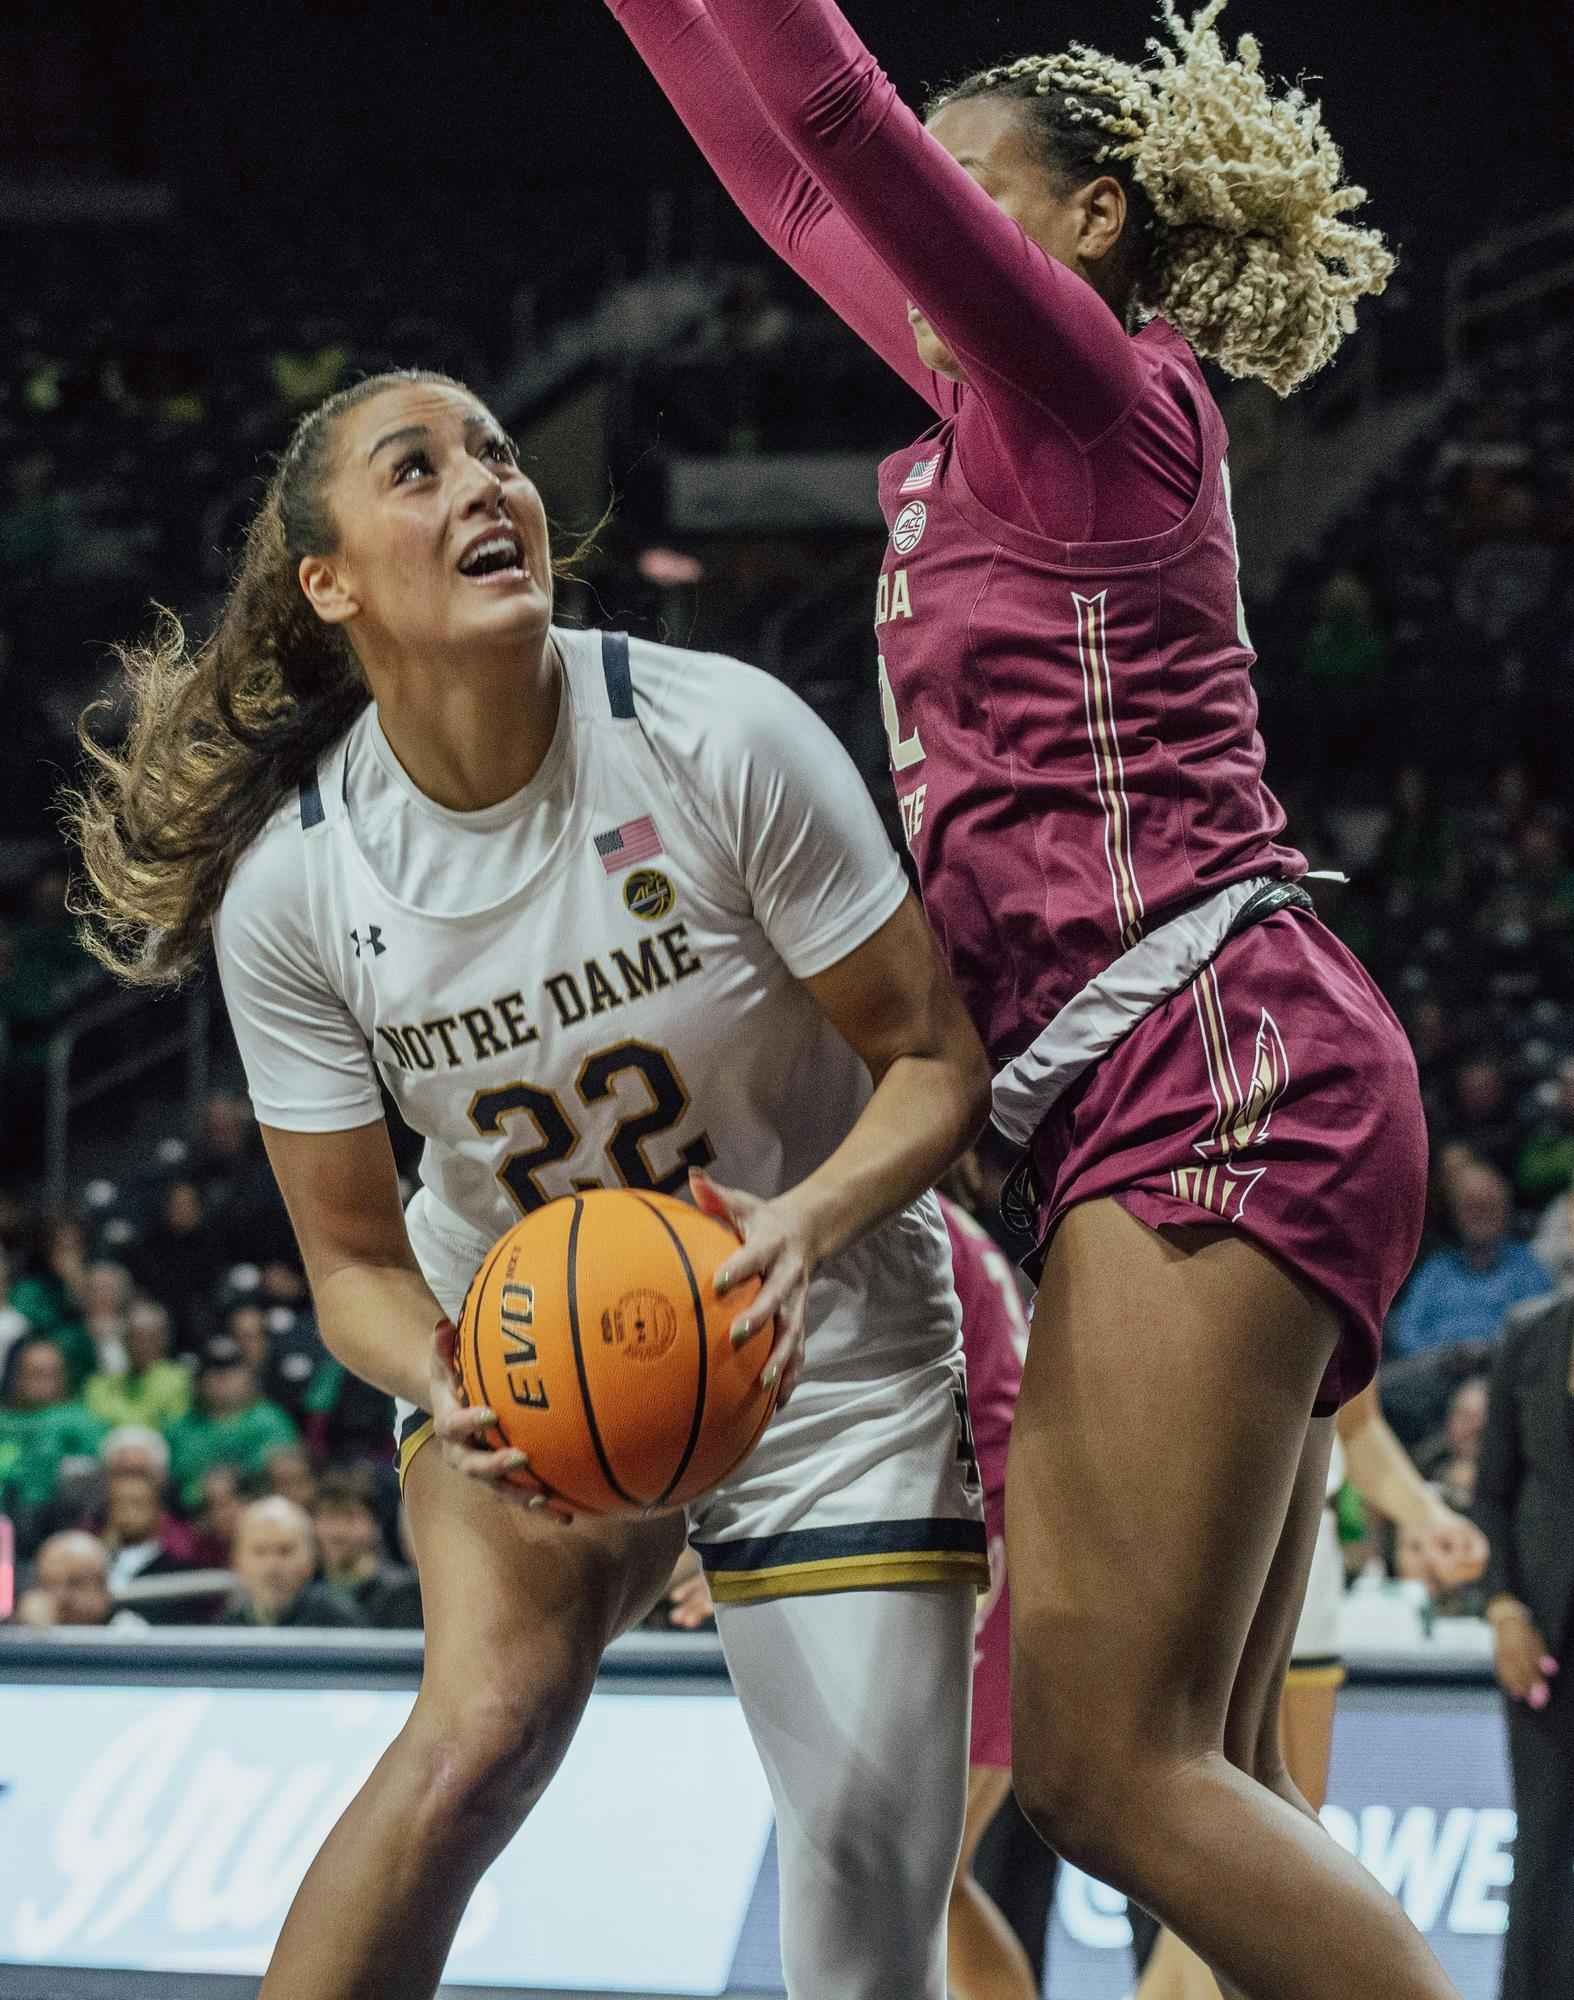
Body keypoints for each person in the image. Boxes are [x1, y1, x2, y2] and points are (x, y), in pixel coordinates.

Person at [606, 3, 1456, 1994]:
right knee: (1207, 1773)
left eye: (962, 205)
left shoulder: (1096, 401)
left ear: (1075, 226)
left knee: (1105, 1770)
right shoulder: (978, 426)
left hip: (1217, 1064)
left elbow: (831, 109)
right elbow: (792, 175)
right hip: (1161, 1085)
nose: (912, 245)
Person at [69, 367, 993, 2000]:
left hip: (822, 1335)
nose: (482, 485)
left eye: (496, 454)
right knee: (478, 1735)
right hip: (527, 1344)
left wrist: (797, 1225)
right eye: (414, 470)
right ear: (329, 583)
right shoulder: (299, 884)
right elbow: (350, 1260)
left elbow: (932, 1066)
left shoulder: (714, 735)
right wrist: (449, 1371)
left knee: (858, 1869)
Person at [1133, 1378, 1489, 1998]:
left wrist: (1427, 1516)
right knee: (1220, 1846)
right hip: (1197, 1527)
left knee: (1270, 1843)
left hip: (1304, 1549)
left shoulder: (1338, 1284)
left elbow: (1356, 1425)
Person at [1472, 1289, 1574, 2000]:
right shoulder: (1530, 1332)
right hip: (1544, 1640)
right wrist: (1504, 1609)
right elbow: (1491, 1493)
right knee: (1539, 1851)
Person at [1387, 1163, 1553, 1361]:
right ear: (1455, 1213)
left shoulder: (1528, 1268)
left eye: (1489, 1205)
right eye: (1471, 1206)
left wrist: (1484, 1352)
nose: (1480, 1214)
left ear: (1506, 1207)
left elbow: (1537, 1335)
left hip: (1499, 1372)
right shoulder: (1436, 1271)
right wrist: (1446, 1356)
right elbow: (1406, 1334)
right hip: (1434, 1374)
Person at [164, 1335, 301, 1511]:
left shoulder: (270, 1420)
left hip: (257, 1512)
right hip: (192, 1521)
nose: (222, 1377)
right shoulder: (181, 1428)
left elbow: (283, 1475)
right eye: (212, 1369)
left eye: (231, 1368)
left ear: (248, 1374)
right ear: (198, 1379)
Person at [0, 1334, 107, 1545]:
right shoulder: (3, 1421)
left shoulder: (80, 1419)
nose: (45, 1381)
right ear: (16, 1375)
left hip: (62, 1523)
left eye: (52, 1373)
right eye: (36, 1373)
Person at [219, 1496, 363, 1629]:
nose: (272, 1567)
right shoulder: (227, 1627)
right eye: (260, 1552)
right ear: (237, 1562)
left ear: (310, 1560)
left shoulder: (342, 1625)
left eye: (285, 1551)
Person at [82, 1296, 192, 1431]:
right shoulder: (99, 1386)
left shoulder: (180, 1381)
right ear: (124, 1341)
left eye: (150, 1338)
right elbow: (95, 1430)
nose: (142, 1346)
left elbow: (176, 1430)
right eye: (135, 1337)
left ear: (162, 1341)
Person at [12, 1529, 146, 1629]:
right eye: (48, 1585)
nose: (61, 1597)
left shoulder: (129, 1638)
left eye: (76, 1583)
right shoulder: (15, 1637)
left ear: (105, 1591)